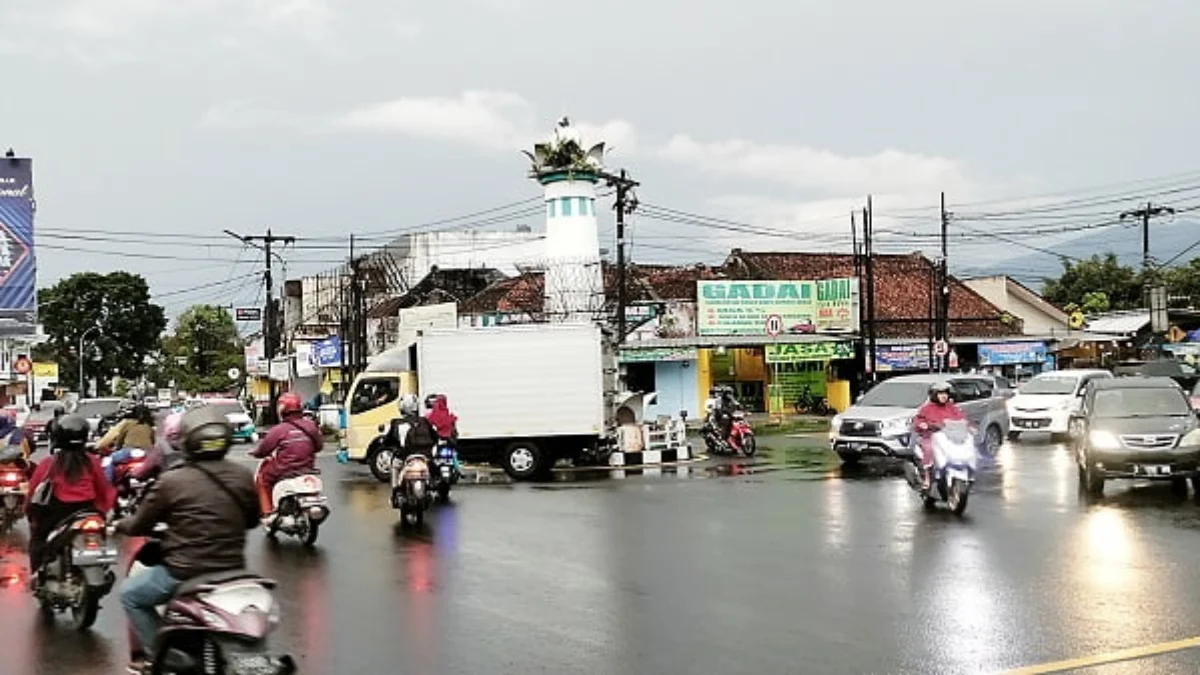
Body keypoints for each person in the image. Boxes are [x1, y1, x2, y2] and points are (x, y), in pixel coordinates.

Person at [115, 406, 259, 674]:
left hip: (184, 572)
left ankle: (158, 657)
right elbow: (253, 520)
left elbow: (138, 524)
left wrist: (120, 524)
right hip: (234, 571)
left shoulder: (172, 481)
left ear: (187, 440)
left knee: (131, 595)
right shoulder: (242, 475)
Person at [25, 414, 115, 586]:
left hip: (58, 515)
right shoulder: (92, 462)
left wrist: (29, 513)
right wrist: (103, 513)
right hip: (89, 512)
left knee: (38, 539)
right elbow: (105, 490)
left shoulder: (49, 463)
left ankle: (37, 574)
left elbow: (33, 494)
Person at [251, 392, 322, 523]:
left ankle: (267, 513)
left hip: (284, 470)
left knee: (263, 478)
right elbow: (319, 447)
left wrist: (255, 453)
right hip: (308, 468)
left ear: (281, 409)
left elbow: (264, 450)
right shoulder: (311, 426)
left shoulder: (278, 430)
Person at [912, 381, 966, 488]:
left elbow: (961, 418)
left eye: (945, 393)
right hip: (930, 436)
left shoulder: (951, 407)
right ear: (934, 395)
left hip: (949, 436)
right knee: (929, 449)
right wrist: (922, 425)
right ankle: (927, 477)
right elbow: (917, 420)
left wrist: (968, 427)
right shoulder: (926, 408)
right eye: (940, 393)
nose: (943, 396)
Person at [96, 403, 156, 483]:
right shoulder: (149, 427)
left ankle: (107, 487)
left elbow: (117, 439)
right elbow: (153, 442)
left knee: (108, 460)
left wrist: (115, 447)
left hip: (129, 452)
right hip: (146, 453)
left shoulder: (127, 423)